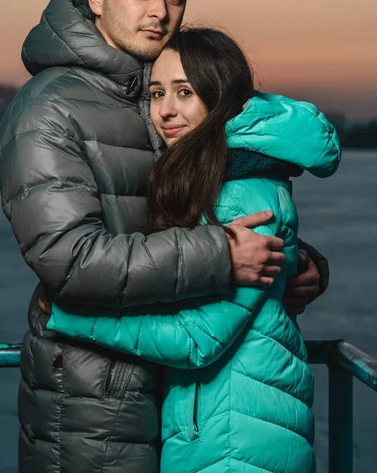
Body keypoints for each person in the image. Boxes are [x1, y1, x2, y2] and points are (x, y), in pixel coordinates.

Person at [0, 0, 327, 473]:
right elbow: (72, 261)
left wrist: (290, 257)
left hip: (180, 403)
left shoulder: (159, 88)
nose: (160, 11)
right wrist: (224, 254)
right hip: (93, 405)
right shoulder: (46, 109)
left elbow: (199, 204)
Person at [48, 27, 341, 473]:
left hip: (233, 440)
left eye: (185, 92)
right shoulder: (227, 174)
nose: (166, 111)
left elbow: (195, 339)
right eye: (157, 93)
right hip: (235, 424)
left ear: (219, 97)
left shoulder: (238, 191)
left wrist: (71, 312)